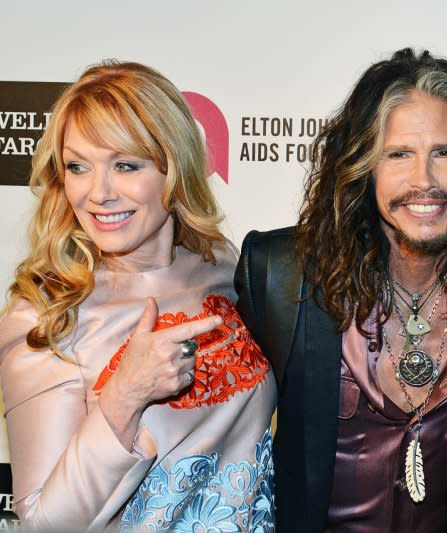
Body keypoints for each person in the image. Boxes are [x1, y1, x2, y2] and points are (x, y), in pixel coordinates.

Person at [235, 48, 447, 532]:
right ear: (363, 166)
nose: (424, 181)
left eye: (446, 153)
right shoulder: (281, 276)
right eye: (399, 154)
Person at [0, 61, 276, 532]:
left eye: (126, 165)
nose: (98, 193)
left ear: (174, 167)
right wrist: (124, 395)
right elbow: (44, 524)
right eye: (77, 167)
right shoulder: (45, 317)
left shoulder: (222, 265)